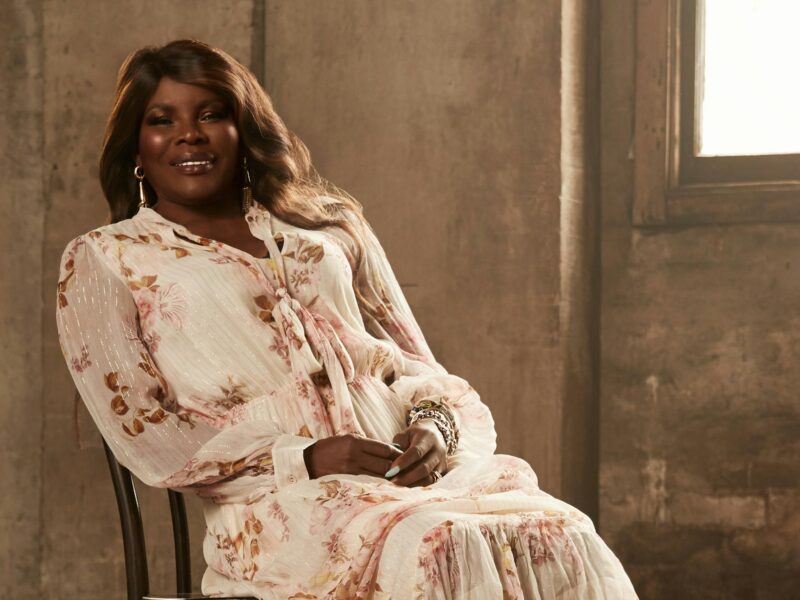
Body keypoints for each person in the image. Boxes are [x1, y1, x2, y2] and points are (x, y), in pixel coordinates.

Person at [56, 39, 637, 599]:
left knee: (560, 531)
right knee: (431, 543)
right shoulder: (107, 258)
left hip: (407, 476)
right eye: (162, 119)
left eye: (211, 113)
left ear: (242, 128)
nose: (189, 132)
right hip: (279, 508)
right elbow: (146, 433)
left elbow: (412, 361)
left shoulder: (327, 230)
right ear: (135, 146)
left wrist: (437, 427)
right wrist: (304, 456)